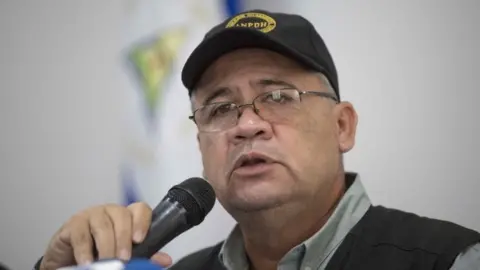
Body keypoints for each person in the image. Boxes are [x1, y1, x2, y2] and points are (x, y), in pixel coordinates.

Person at [34, 9, 480, 270]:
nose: (247, 125)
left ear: (342, 126)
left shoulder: (448, 260)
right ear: (200, 147)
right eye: (221, 108)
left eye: (278, 96)